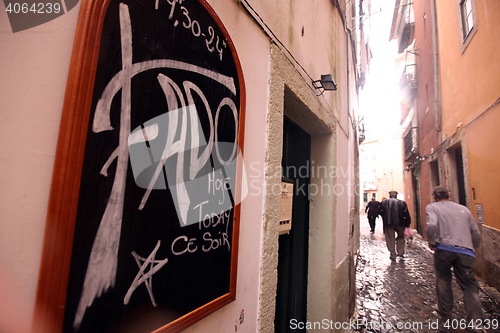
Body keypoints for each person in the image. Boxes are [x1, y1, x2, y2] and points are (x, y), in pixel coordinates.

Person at [426, 186, 484, 325]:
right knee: (469, 285)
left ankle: (445, 311)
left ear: (434, 195)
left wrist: (432, 242)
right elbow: (476, 233)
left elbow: (432, 225)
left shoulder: (432, 207)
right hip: (465, 251)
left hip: (444, 249)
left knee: (444, 280)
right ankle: (476, 320)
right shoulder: (464, 209)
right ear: (449, 194)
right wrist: (472, 248)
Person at [379, 190, 411, 261]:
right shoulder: (402, 203)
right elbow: (406, 214)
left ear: (390, 195)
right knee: (401, 237)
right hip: (400, 223)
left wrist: (385, 218)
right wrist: (407, 223)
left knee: (390, 238)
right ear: (396, 195)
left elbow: (380, 212)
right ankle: (400, 252)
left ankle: (393, 254)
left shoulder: (384, 202)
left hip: (388, 223)